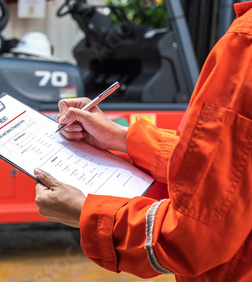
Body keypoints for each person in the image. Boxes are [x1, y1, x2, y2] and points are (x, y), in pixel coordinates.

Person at [34, 1, 252, 281]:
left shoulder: (245, 44)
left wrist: (85, 212)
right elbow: (227, 168)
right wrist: (121, 137)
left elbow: (191, 239)